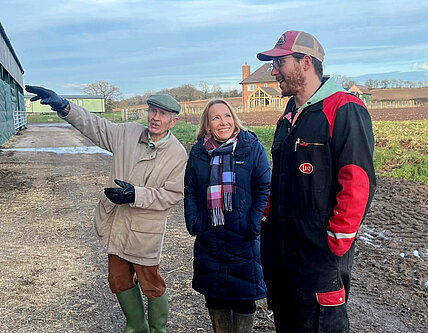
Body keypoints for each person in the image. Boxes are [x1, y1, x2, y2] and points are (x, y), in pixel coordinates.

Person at [25, 85, 188, 333]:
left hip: (146, 230)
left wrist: (136, 194)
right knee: (118, 281)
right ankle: (136, 327)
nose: (156, 117)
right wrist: (64, 106)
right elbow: (95, 126)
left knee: (151, 284)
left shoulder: (177, 154)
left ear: (173, 122)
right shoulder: (128, 133)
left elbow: (174, 194)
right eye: (153, 111)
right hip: (117, 224)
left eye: (163, 114)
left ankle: (158, 330)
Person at [255, 31, 377, 332]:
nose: (273, 72)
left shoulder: (344, 108)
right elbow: (280, 174)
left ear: (305, 62)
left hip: (319, 253)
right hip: (283, 250)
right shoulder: (289, 114)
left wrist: (336, 242)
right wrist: (268, 218)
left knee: (322, 325)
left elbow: (358, 181)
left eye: (279, 62)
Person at [184, 99, 271, 332]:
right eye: (216, 118)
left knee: (244, 298)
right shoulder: (198, 153)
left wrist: (253, 223)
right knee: (215, 297)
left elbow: (265, 187)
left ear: (234, 118)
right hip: (209, 236)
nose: (223, 122)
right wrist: (194, 222)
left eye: (227, 116)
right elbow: (191, 190)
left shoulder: (252, 147)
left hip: (242, 238)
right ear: (208, 125)